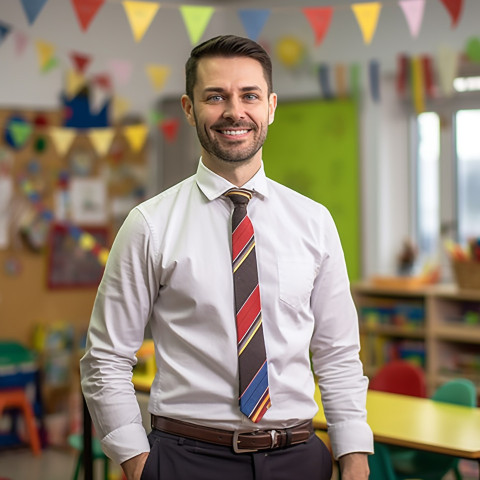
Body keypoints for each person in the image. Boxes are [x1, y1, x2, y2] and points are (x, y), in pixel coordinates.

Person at [80, 34, 373, 480]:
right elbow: (105, 357)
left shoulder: (315, 222)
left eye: (249, 95)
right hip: (186, 460)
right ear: (189, 108)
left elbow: (337, 353)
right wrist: (138, 463)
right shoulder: (149, 225)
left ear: (271, 106)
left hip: (299, 457)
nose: (234, 111)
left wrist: (353, 457)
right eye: (215, 96)